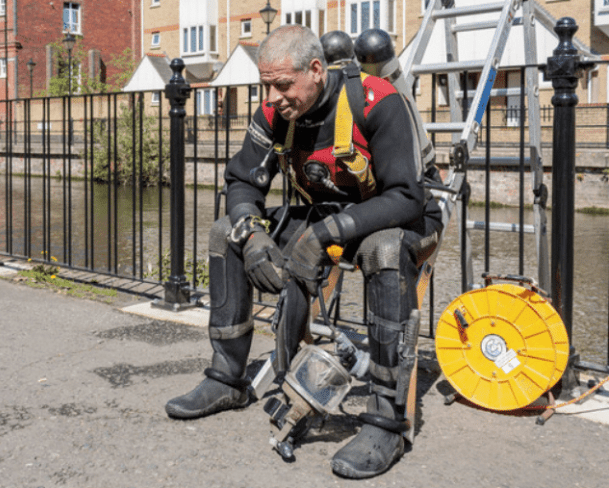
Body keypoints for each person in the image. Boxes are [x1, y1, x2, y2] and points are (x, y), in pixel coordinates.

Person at [165, 25, 443, 479]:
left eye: (281, 84)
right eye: (265, 85)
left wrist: (323, 235)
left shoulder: (377, 101)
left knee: (385, 252)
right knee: (225, 232)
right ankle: (227, 378)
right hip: (326, 212)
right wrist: (253, 235)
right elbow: (241, 182)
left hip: (397, 217)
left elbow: (406, 197)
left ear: (316, 70)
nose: (271, 97)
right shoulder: (276, 113)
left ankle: (386, 420)